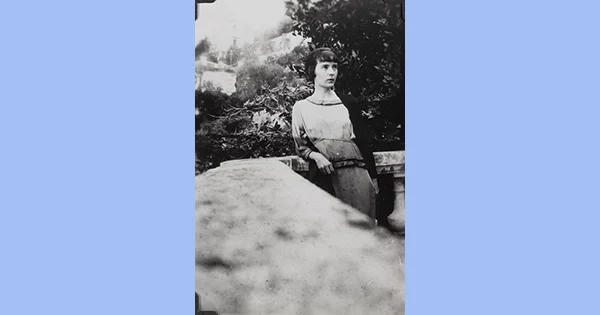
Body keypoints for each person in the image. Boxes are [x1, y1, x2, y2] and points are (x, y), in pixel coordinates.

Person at [292, 47, 379, 222]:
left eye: (335, 67)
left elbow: (363, 142)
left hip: (358, 177)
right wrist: (315, 156)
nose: (331, 72)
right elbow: (299, 145)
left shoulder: (348, 102)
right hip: (325, 177)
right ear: (312, 71)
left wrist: (374, 179)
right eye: (325, 67)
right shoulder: (301, 107)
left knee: (363, 234)